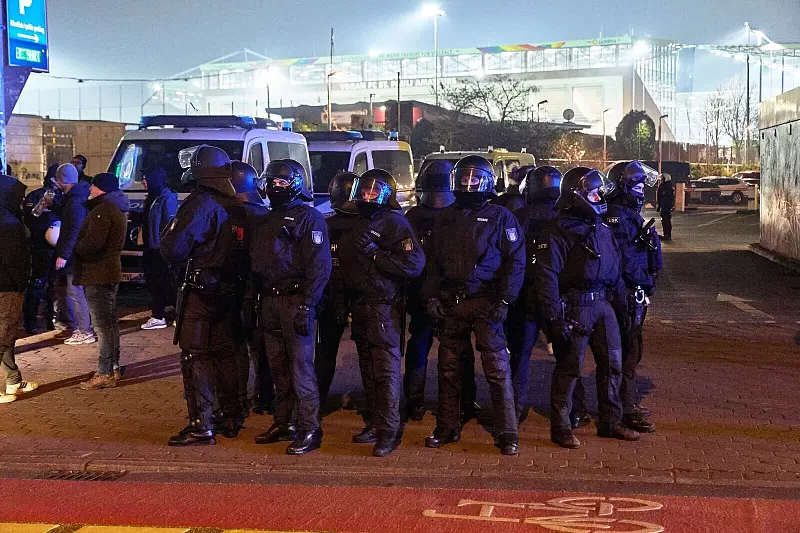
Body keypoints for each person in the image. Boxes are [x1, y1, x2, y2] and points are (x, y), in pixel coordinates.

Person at [422, 155, 524, 456]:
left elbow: (515, 262)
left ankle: (507, 431)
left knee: (497, 369)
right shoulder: (445, 216)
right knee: (449, 368)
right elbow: (433, 264)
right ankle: (447, 424)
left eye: (474, 178)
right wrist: (431, 296)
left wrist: (505, 299)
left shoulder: (501, 216)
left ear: (486, 182)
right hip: (453, 303)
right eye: (464, 177)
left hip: (486, 303)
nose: (468, 183)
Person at [533, 167, 639, 449]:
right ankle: (561, 427)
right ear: (575, 195)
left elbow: (615, 270)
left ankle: (611, 421)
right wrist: (555, 318)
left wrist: (623, 307)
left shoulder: (601, 228)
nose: (599, 198)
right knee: (569, 369)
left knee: (613, 366)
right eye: (593, 193)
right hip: (575, 306)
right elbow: (546, 276)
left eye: (599, 193)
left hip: (603, 304)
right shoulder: (558, 230)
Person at [160, 145, 248, 446]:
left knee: (195, 356)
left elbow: (173, 248)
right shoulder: (234, 203)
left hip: (201, 292)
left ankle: (201, 425)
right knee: (226, 354)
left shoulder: (200, 203)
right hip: (230, 291)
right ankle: (231, 416)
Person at [339, 169, 425, 457]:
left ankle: (388, 430)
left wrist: (377, 254)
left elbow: (413, 264)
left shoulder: (394, 223)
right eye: (363, 190)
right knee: (369, 369)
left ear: (386, 194)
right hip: (361, 305)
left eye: (373, 191)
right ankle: (376, 422)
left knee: (386, 371)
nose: (366, 195)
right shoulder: (359, 221)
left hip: (384, 307)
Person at [251, 159, 331, 455]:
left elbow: (319, 266)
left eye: (282, 182)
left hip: (296, 301)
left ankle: (310, 428)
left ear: (295, 185)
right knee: (278, 368)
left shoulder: (309, 218)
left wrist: (307, 305)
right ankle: (284, 422)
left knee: (300, 369)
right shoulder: (266, 218)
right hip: (269, 301)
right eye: (272, 181)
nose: (275, 186)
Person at [605, 161, 663, 433]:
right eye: (637, 187)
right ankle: (623, 410)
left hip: (629, 292)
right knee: (625, 354)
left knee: (630, 352)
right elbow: (626, 260)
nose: (641, 192)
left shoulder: (624, 214)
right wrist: (646, 282)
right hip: (624, 293)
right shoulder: (618, 217)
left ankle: (622, 405)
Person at [506, 165, 562, 423]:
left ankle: (514, 409)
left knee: (520, 354)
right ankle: (572, 410)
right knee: (566, 356)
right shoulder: (565, 216)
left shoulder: (518, 216)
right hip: (556, 294)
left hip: (524, 293)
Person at [403, 160, 455, 421]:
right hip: (447, 292)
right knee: (453, 349)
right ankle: (457, 403)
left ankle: (414, 401)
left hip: (420, 290)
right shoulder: (457, 214)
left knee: (420, 345)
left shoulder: (412, 216)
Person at [75, 173, 131, 390]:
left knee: (102, 326)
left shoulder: (102, 211)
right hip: (109, 271)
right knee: (109, 323)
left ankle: (105, 371)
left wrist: (77, 248)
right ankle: (113, 366)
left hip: (98, 273)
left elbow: (93, 244)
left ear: (101, 189)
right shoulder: (115, 208)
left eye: (93, 186)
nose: (90, 189)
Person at [229, 161, 273, 416]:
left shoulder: (235, 214)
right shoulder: (263, 214)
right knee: (260, 348)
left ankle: (241, 397)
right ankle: (263, 395)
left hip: (241, 288)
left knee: (239, 346)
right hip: (257, 289)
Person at [315, 172, 360, 411]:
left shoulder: (325, 224)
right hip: (360, 294)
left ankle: (317, 401)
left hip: (330, 293)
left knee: (325, 350)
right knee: (370, 354)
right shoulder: (369, 224)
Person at [0, 175, 39, 402]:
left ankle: (13, 379)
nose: (23, 201)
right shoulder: (8, 223)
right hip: (7, 286)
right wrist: (20, 281)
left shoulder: (9, 217)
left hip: (8, 284)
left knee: (7, 336)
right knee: (4, 334)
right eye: (19, 197)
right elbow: (13, 258)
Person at [54, 163, 96, 346]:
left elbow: (73, 229)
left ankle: (85, 330)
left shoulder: (75, 201)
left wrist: (63, 255)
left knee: (75, 292)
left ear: (62, 181)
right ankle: (83, 327)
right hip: (77, 253)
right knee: (76, 292)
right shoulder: (77, 196)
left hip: (74, 255)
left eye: (58, 180)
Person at [23, 164, 61, 333]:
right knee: (49, 285)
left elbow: (28, 221)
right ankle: (47, 321)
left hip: (43, 247)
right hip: (47, 248)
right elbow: (31, 219)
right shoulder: (48, 196)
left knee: (40, 285)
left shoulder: (37, 195)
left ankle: (33, 322)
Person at [140, 166, 178, 331]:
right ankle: (159, 315)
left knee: (164, 282)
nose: (143, 182)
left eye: (145, 178)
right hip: (150, 247)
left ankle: (167, 315)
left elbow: (169, 225)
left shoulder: (166, 198)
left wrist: (166, 246)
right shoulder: (152, 197)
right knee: (154, 282)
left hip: (159, 248)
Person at [656, 174, 674, 241]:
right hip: (664, 206)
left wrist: (662, 205)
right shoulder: (664, 185)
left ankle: (667, 235)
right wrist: (659, 205)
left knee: (666, 221)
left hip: (666, 206)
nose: (661, 180)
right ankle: (666, 234)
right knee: (664, 220)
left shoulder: (668, 186)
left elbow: (666, 197)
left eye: (663, 178)